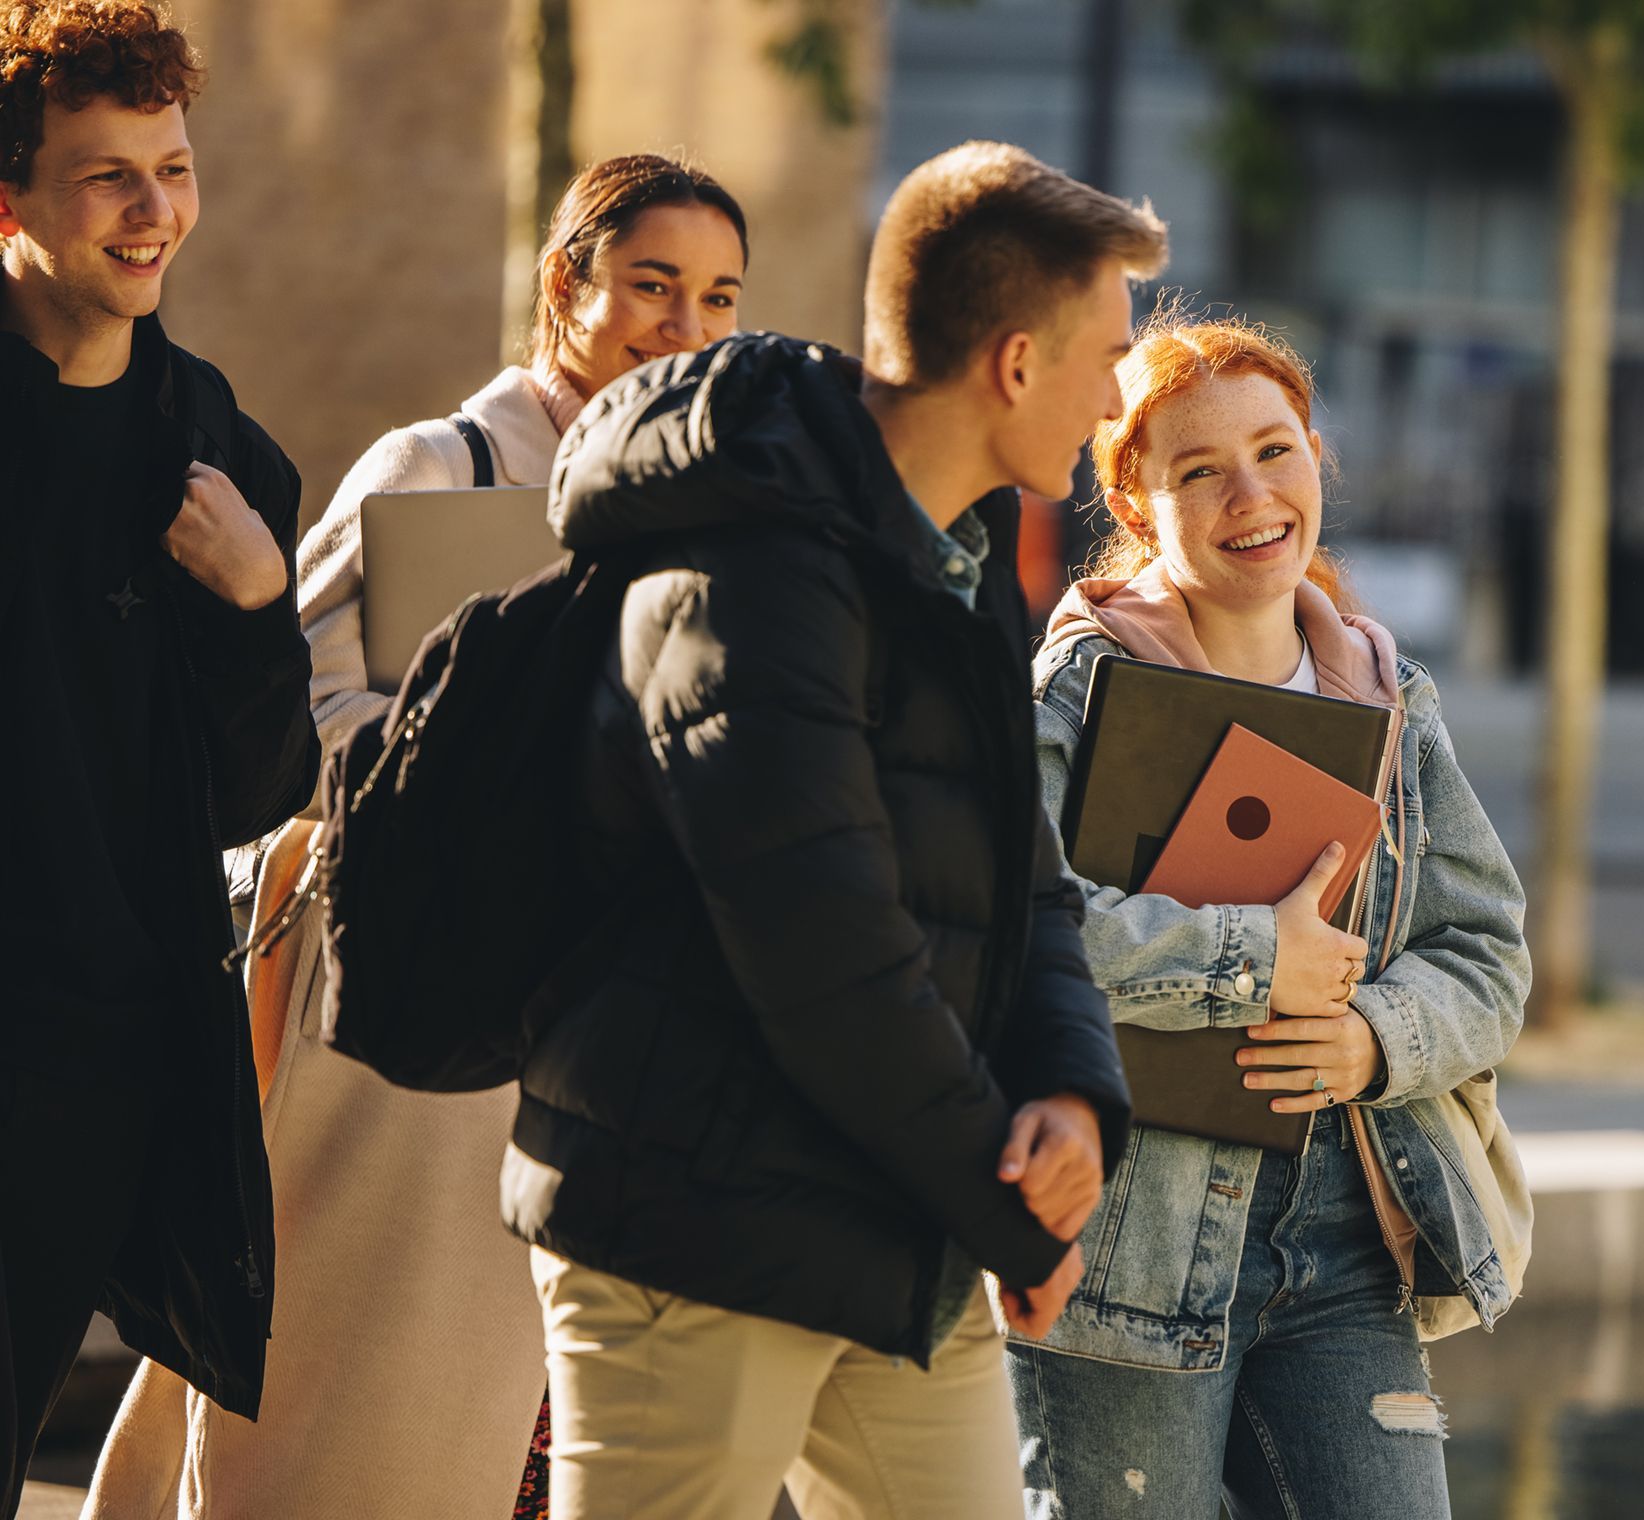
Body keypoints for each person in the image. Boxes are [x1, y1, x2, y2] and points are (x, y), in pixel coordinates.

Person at [81, 153, 749, 1520]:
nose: (685, 326)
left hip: (606, 1052)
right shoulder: (443, 466)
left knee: (538, 1446)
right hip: (408, 1042)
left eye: (720, 297)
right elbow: (296, 729)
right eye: (653, 285)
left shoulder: (710, 514)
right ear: (566, 284)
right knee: (357, 1424)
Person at [503, 140, 1161, 1520]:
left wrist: (1071, 1090)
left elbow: (1023, 868)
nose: (1116, 402)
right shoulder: (748, 569)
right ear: (1016, 364)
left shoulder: (963, 548)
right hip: (699, 1226)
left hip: (895, 1210)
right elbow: (827, 952)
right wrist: (1000, 1205)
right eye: (1108, 359)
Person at [1008, 315, 1532, 1519]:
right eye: (1199, 470)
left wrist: (1374, 1038)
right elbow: (1013, 926)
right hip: (1127, 1257)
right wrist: (1255, 960)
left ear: (1315, 460)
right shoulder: (1078, 693)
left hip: (1347, 1251)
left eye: (1275, 450)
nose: (1251, 496)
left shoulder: (1389, 695)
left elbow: (1489, 954)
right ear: (1136, 505)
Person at [0, 2, 319, 1511]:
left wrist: (257, 604)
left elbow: (258, 793)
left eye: (173, 169)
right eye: (105, 176)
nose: (152, 211)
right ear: (11, 198)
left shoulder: (217, 456)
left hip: (91, 1068)